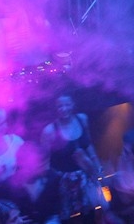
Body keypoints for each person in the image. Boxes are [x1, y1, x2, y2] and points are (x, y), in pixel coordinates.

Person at [40, 94, 102, 223]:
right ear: (55, 108)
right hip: (63, 182)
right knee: (69, 219)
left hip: (85, 177)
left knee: (92, 214)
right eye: (60, 106)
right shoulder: (49, 131)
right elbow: (44, 162)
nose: (64, 109)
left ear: (73, 104)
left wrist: (96, 166)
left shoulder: (82, 119)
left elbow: (89, 144)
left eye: (67, 104)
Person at [0, 142, 60, 224]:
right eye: (41, 166)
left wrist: (53, 220)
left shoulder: (53, 178)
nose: (47, 168)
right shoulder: (6, 187)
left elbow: (57, 209)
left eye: (47, 164)